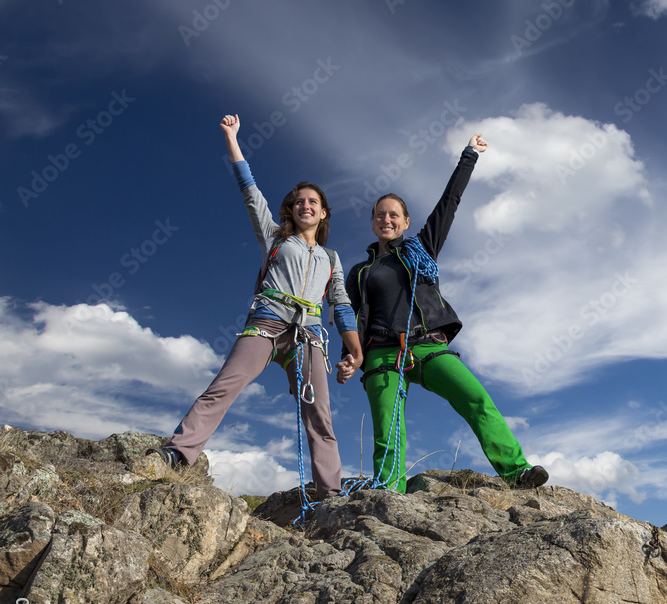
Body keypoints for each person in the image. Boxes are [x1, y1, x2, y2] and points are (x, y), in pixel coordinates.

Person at [149, 114, 363, 500]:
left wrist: (355, 349)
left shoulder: (332, 258)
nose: (306, 206)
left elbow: (342, 305)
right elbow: (250, 191)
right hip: (267, 323)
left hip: (310, 336)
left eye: (314, 202)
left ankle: (329, 494)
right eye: (299, 202)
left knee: (320, 416)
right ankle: (178, 452)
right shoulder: (275, 238)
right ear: (290, 210)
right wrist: (232, 139)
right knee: (225, 387)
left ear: (324, 212)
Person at [336, 133, 548, 494]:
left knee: (475, 398)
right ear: (373, 222)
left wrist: (469, 156)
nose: (386, 219)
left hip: (427, 344)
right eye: (380, 215)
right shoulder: (359, 271)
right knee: (387, 427)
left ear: (405, 221)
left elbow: (450, 202)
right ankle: (389, 491)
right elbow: (354, 316)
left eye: (394, 215)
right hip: (381, 352)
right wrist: (349, 357)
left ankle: (516, 471)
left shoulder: (422, 249)